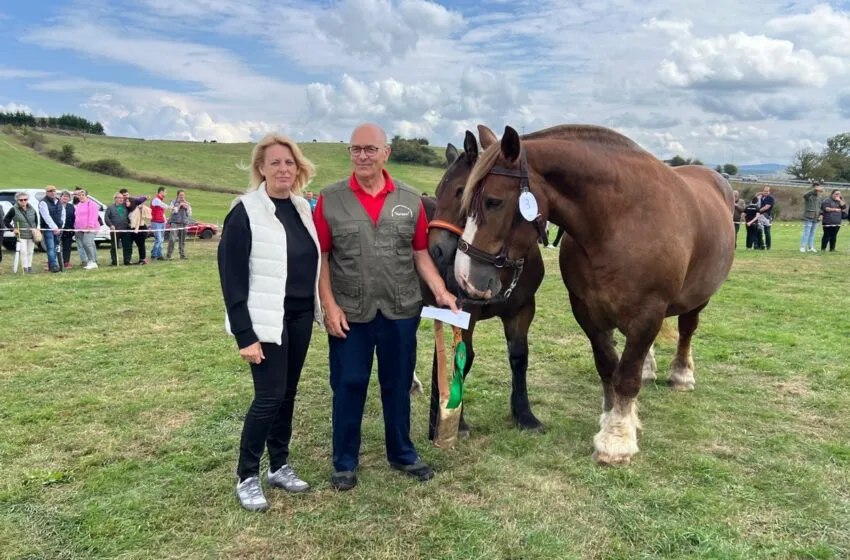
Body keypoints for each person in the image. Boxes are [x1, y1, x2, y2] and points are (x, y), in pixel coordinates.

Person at [313, 123, 458, 491]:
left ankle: (402, 454)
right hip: (350, 313)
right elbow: (322, 259)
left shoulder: (409, 200)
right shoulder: (330, 199)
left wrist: (440, 290)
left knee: (397, 385)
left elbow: (420, 253)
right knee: (348, 385)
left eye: (370, 149)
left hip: (400, 311)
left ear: (385, 153)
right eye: (356, 149)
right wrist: (329, 306)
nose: (362, 156)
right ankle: (345, 462)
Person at [218, 134, 323, 512]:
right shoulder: (245, 211)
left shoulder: (301, 208)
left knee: (288, 393)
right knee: (268, 397)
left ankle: (279, 465)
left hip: (299, 317)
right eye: (275, 162)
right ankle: (247, 475)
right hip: (265, 321)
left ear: (299, 169)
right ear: (260, 168)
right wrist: (245, 334)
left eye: (289, 162)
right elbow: (231, 278)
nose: (283, 169)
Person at [3, 192, 39, 273]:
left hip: (31, 234)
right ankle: (25, 267)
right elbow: (6, 221)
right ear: (17, 200)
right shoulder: (13, 209)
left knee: (30, 251)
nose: (23, 201)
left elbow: (36, 220)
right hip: (21, 234)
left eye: (25, 199)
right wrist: (13, 229)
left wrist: (35, 230)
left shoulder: (32, 209)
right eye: (21, 200)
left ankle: (29, 267)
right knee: (23, 251)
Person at [38, 185, 63, 273]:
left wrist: (61, 225)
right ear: (47, 192)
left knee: (57, 247)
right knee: (51, 247)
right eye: (50, 191)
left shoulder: (59, 201)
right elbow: (46, 217)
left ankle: (56, 264)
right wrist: (54, 227)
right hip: (48, 228)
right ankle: (53, 266)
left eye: (54, 191)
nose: (52, 192)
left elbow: (63, 213)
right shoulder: (43, 202)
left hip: (59, 228)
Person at [120, 188, 150, 265]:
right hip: (133, 229)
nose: (126, 198)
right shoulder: (127, 208)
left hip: (140, 228)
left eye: (127, 196)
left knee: (141, 244)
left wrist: (145, 197)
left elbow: (140, 219)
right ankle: (139, 259)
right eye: (124, 196)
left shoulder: (137, 208)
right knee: (137, 244)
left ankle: (143, 260)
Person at [105, 192, 133, 266]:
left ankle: (127, 261)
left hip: (125, 229)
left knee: (127, 246)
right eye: (119, 198)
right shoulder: (110, 207)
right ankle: (114, 261)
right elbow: (106, 218)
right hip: (115, 230)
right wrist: (111, 225)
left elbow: (130, 216)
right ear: (115, 199)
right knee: (114, 246)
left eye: (122, 198)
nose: (121, 199)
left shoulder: (126, 207)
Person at [74, 190, 100, 269]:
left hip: (91, 228)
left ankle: (93, 261)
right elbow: (77, 217)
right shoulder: (78, 205)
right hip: (80, 229)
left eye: (83, 195)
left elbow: (94, 216)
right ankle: (91, 260)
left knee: (87, 243)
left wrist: (90, 226)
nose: (81, 196)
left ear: (86, 196)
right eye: (79, 195)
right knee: (86, 244)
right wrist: (76, 227)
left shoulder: (92, 204)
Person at [167, 190, 192, 259]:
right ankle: (169, 255)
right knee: (172, 239)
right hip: (175, 223)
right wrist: (179, 206)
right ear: (177, 195)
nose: (182, 196)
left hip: (184, 223)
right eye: (181, 195)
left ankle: (182, 255)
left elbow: (190, 214)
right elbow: (173, 211)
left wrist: (187, 208)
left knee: (182, 240)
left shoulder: (187, 203)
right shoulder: (173, 202)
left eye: (183, 195)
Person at [801, 181, 825, 253]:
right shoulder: (808, 196)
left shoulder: (820, 197)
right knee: (806, 232)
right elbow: (805, 195)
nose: (818, 190)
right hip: (809, 216)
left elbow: (821, 207)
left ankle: (810, 247)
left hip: (816, 218)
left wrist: (821, 215)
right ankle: (802, 247)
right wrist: (815, 189)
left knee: (812, 233)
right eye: (816, 187)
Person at [150, 187, 168, 260]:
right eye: (165, 192)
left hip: (162, 222)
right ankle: (154, 254)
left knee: (161, 239)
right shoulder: (156, 200)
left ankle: (159, 255)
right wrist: (171, 207)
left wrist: (165, 220)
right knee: (159, 239)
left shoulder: (160, 200)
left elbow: (162, 211)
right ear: (161, 192)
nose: (166, 193)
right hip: (156, 222)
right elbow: (164, 205)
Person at [60, 190, 76, 269]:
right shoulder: (57, 205)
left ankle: (66, 262)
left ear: (69, 198)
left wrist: (73, 229)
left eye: (67, 197)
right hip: (58, 230)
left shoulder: (71, 206)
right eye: (64, 196)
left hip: (68, 230)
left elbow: (74, 218)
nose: (65, 198)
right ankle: (57, 262)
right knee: (57, 247)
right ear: (60, 197)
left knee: (67, 247)